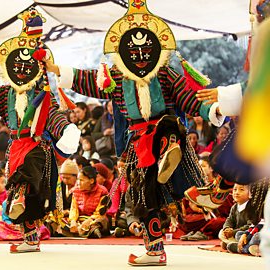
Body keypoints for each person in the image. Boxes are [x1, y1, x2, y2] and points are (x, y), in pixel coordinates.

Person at [45, 1, 225, 265]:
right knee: (145, 197)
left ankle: (178, 161)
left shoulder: (166, 73)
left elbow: (190, 99)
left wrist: (216, 108)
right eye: (133, 50)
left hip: (165, 132)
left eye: (146, 50)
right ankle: (155, 250)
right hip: (139, 145)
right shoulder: (116, 78)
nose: (140, 55)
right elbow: (87, 81)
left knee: (168, 125)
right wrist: (56, 69)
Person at [0, 8, 80, 253]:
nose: (23, 69)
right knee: (20, 192)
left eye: (28, 65)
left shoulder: (44, 95)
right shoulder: (6, 94)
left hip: (37, 146)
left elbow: (54, 117)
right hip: (15, 147)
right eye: (17, 64)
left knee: (27, 179)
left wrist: (67, 130)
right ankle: (30, 237)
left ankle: (23, 198)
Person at [66, 166, 109, 238]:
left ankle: (91, 231)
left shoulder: (102, 191)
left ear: (91, 181)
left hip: (94, 220)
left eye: (81, 180)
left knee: (101, 221)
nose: (78, 183)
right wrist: (73, 221)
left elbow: (100, 213)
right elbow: (74, 209)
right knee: (61, 221)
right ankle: (85, 232)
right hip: (80, 219)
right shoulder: (75, 191)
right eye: (78, 180)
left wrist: (88, 221)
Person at [218, 184, 253, 249]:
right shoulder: (234, 207)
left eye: (241, 189)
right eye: (235, 189)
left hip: (245, 233)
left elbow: (250, 226)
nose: (237, 192)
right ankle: (234, 243)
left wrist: (233, 232)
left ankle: (238, 245)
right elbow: (230, 220)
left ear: (250, 194)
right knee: (221, 233)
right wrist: (227, 228)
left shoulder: (251, 207)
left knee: (239, 234)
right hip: (234, 233)